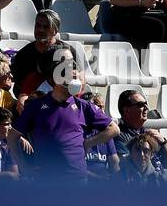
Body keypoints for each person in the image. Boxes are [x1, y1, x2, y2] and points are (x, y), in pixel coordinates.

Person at [12, 45, 118, 179]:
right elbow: (12, 137)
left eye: (74, 66)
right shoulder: (36, 106)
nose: (73, 71)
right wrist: (24, 167)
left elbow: (114, 129)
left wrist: (88, 142)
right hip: (47, 185)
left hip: (78, 185)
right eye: (67, 67)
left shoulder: (83, 106)